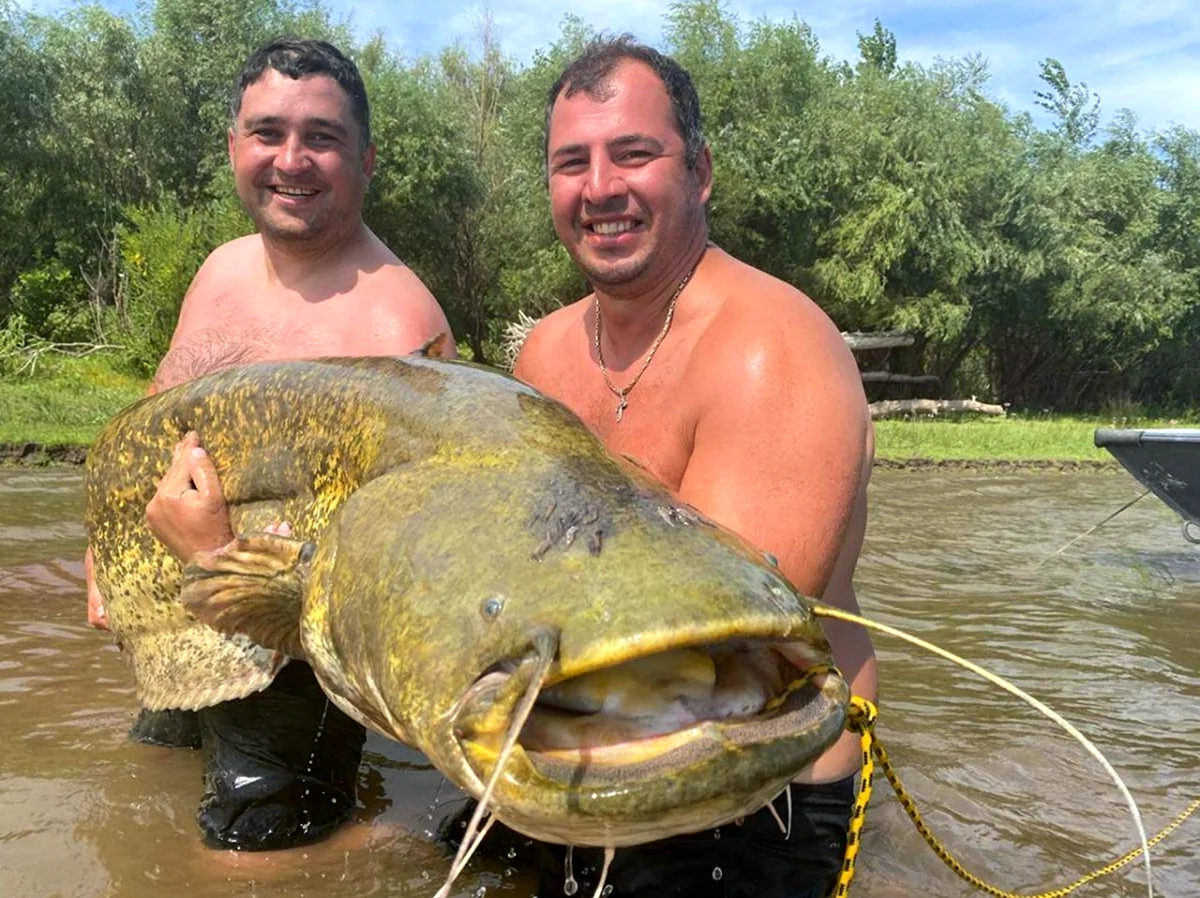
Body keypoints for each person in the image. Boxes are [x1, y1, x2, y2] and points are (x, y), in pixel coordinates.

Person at [510, 37, 877, 897]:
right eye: (573, 162)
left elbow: (723, 641)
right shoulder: (543, 356)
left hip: (758, 786)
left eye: (633, 153)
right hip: (588, 743)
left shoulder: (771, 350)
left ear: (700, 170)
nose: (601, 188)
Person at [84, 37, 453, 852]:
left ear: (366, 158)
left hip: (292, 668)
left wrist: (222, 556)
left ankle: (405, 838)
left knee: (253, 861)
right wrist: (105, 556)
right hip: (182, 615)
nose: (292, 159)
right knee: (141, 777)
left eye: (321, 137)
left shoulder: (398, 333)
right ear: (233, 147)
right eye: (268, 132)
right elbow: (156, 432)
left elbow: (396, 583)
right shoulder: (220, 272)